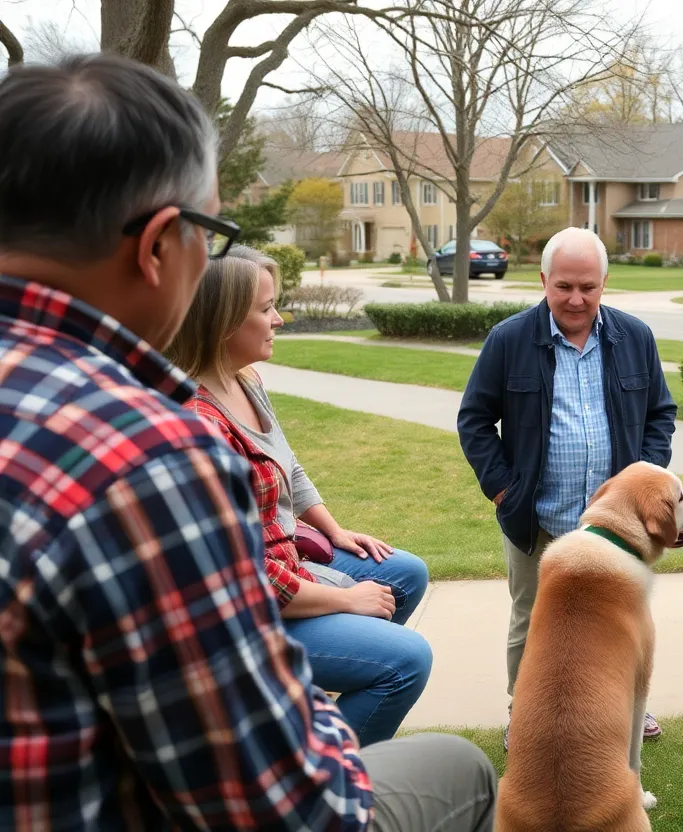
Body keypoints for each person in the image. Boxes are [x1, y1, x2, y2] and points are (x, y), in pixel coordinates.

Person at [0, 54, 494, 831]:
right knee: (458, 769)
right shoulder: (141, 454)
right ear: (160, 243)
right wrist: (293, 692)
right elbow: (286, 805)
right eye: (211, 232)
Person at [165, 245, 433, 747]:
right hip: (252, 610)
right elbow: (247, 576)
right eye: (266, 309)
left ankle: (308, 702)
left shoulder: (245, 379)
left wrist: (333, 531)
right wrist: (346, 599)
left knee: (404, 572)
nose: (279, 319)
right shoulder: (199, 425)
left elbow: (289, 465)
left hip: (289, 559)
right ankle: (320, 771)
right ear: (221, 321)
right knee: (407, 660)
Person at [457, 226, 677, 749]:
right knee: (531, 618)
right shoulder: (509, 340)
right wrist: (504, 491)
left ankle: (627, 707)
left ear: (604, 283)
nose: (576, 299)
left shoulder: (635, 337)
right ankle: (525, 711)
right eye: (564, 287)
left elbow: (660, 415)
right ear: (543, 281)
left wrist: (643, 483)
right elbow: (474, 420)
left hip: (618, 524)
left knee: (622, 616)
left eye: (587, 287)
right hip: (538, 518)